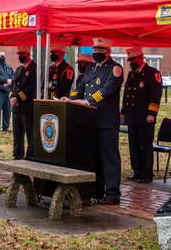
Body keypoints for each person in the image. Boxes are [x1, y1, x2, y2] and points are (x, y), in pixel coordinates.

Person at [62, 37, 124, 205]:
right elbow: (81, 88)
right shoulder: (90, 68)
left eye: (100, 51)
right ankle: (93, 192)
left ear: (108, 52)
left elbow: (106, 90)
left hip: (106, 121)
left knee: (109, 157)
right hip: (90, 121)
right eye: (95, 50)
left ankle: (112, 194)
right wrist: (70, 98)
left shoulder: (115, 69)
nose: (96, 53)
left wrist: (88, 101)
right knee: (92, 158)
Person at [121, 47, 162, 183]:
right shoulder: (132, 74)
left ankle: (146, 172)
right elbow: (126, 94)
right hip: (132, 116)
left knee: (145, 145)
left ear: (141, 58)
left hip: (145, 117)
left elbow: (155, 96)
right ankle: (137, 171)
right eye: (130, 60)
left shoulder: (152, 73)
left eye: (133, 60)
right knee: (133, 145)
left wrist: (152, 113)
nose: (131, 63)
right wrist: (123, 111)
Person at [10, 46, 36, 160]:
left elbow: (31, 88)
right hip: (16, 108)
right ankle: (17, 155)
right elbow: (13, 86)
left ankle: (30, 156)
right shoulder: (19, 69)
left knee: (30, 134)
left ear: (28, 54)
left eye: (22, 55)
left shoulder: (35, 68)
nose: (20, 57)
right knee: (17, 134)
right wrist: (12, 97)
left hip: (27, 107)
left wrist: (18, 99)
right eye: (19, 55)